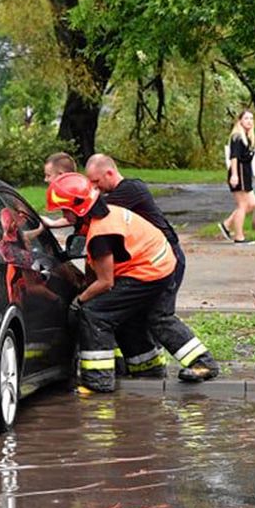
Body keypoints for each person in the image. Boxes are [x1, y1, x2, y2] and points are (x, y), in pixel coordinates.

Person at [47, 172, 219, 392]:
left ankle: (98, 381)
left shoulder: (101, 233)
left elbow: (106, 282)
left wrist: (79, 301)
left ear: (79, 209)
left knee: (95, 313)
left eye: (65, 211)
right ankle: (162, 368)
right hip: (162, 264)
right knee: (155, 318)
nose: (63, 215)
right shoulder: (105, 215)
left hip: (147, 272)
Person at [85, 153, 186, 378]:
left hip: (163, 259)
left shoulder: (128, 191)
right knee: (137, 316)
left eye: (95, 182)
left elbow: (91, 210)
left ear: (109, 173)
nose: (94, 188)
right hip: (152, 258)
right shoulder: (123, 192)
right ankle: (148, 369)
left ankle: (202, 363)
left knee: (159, 317)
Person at [218, 110, 255, 245]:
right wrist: (234, 175)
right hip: (239, 173)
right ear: (240, 121)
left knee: (252, 204)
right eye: (246, 118)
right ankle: (239, 237)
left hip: (246, 173)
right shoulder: (237, 137)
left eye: (251, 119)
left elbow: (247, 156)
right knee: (242, 205)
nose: (249, 121)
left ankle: (227, 224)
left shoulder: (248, 137)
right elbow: (234, 157)